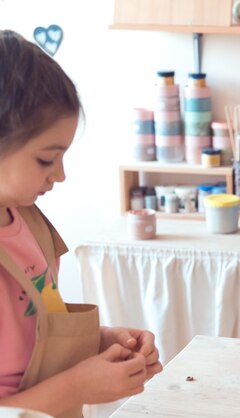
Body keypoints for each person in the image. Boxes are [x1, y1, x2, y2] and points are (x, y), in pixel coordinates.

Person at [0, 30, 162, 417]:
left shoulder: (27, 223)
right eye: (45, 159)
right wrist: (78, 385)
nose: (60, 175)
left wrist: (100, 342)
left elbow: (42, 321)